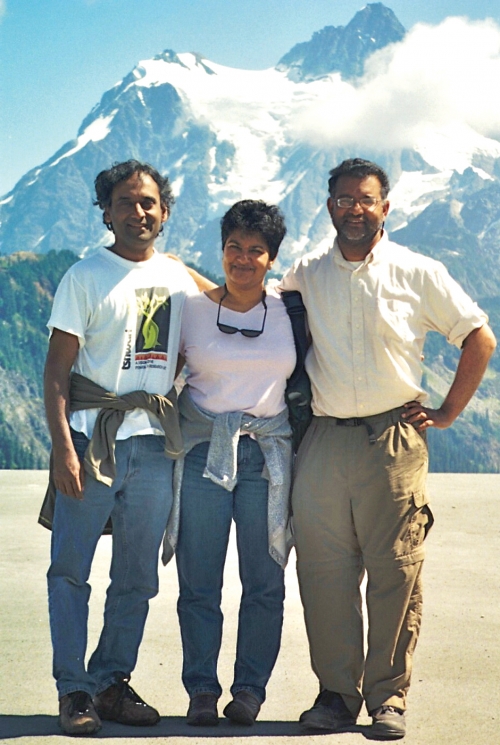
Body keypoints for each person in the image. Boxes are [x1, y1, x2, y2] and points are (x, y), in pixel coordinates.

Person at [279, 158, 496, 741]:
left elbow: (480, 335)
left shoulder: (417, 271)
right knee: (323, 573)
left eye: (365, 199)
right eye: (344, 199)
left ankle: (388, 697)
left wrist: (447, 412)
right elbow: (246, 295)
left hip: (392, 441)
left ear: (385, 207)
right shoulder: (307, 274)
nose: (354, 208)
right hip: (323, 440)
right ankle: (334, 695)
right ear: (329, 208)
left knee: (395, 571)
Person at [43, 160, 201, 736]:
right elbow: (57, 370)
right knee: (70, 571)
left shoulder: (178, 278)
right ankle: (73, 689)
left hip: (156, 446)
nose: (140, 212)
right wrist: (63, 447)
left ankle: (111, 681)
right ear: (105, 211)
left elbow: (237, 300)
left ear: (165, 211)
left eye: (150, 203)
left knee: (137, 576)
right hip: (92, 442)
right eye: (127, 203)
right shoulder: (85, 276)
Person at [166, 199, 296, 727]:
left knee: (264, 580)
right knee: (199, 581)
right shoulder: (191, 309)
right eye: (233, 248)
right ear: (221, 251)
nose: (243, 259)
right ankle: (201, 689)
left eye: (256, 251)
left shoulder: (292, 309)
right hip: (202, 453)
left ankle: (249, 692)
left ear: (272, 259)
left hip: (266, 457)